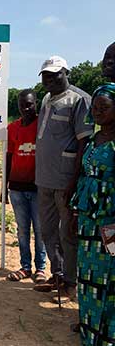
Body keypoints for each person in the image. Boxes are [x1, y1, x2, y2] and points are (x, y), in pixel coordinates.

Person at [34, 56, 94, 303]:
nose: (50, 79)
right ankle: (57, 275)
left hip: (66, 180)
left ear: (66, 72)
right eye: (46, 75)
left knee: (68, 234)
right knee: (47, 230)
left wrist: (74, 182)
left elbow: (84, 141)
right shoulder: (47, 99)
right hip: (44, 179)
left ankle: (71, 283)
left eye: (55, 74)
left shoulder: (79, 99)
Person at [70, 84, 115, 345]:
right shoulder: (91, 141)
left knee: (110, 275)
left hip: (110, 223)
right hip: (88, 222)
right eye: (95, 106)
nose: (97, 111)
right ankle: (89, 330)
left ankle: (106, 334)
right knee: (87, 276)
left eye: (104, 107)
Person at [4, 89, 47, 283]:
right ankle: (25, 267)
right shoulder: (12, 128)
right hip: (17, 189)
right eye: (22, 105)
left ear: (36, 103)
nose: (26, 108)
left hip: (39, 188)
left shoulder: (43, 125)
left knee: (40, 230)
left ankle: (41, 269)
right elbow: (9, 156)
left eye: (29, 104)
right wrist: (4, 187)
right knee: (22, 230)